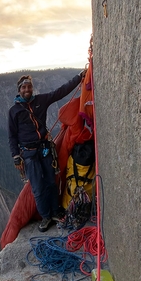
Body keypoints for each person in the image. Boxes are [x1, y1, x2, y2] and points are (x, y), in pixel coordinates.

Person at [8, 71, 86, 232]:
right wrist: (16, 156)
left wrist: (79, 77)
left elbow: (60, 91)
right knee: (37, 187)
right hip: (29, 153)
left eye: (29, 86)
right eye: (24, 87)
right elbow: (12, 135)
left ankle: (55, 212)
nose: (27, 89)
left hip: (44, 148)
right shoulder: (14, 111)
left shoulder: (41, 101)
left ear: (32, 88)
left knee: (51, 182)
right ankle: (45, 216)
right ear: (19, 90)